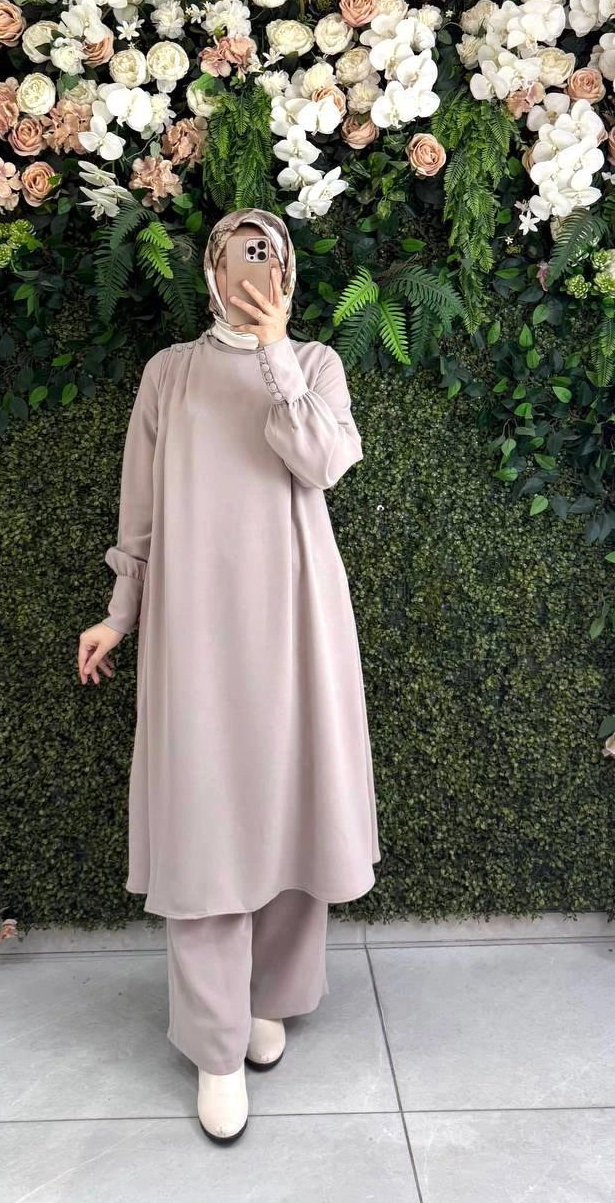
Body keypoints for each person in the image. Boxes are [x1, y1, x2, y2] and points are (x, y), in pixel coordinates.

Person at [78, 207, 381, 1145]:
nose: (249, 270)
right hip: (196, 629)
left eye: (266, 256)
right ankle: (215, 1047)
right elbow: (139, 510)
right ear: (209, 270)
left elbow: (322, 463)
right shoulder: (168, 373)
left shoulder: (316, 364)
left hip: (298, 618)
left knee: (295, 807)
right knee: (204, 820)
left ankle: (268, 1000)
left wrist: (277, 349)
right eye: (234, 256)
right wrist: (119, 612)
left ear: (285, 271)